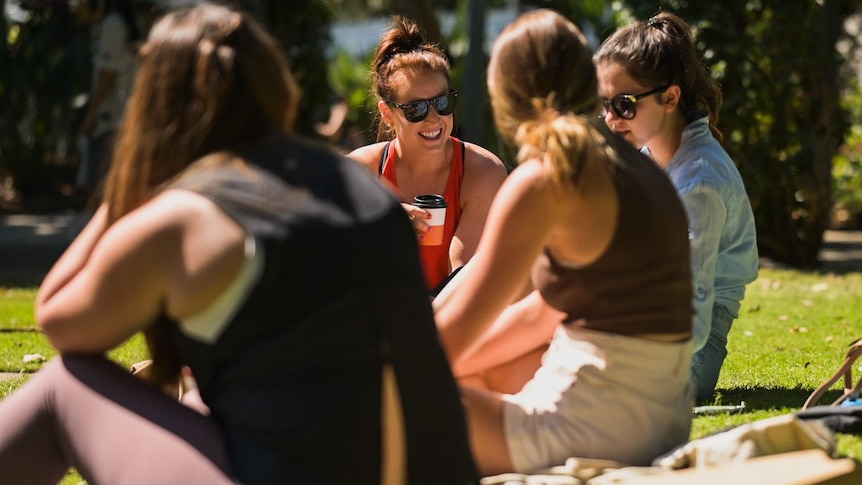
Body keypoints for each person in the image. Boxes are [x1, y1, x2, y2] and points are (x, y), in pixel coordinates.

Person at [0, 4, 478, 484]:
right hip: (413, 469)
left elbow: (59, 318)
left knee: (64, 384)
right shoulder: (353, 183)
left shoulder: (189, 214)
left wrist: (134, 177)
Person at [433, 8, 695, 476]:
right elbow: (539, 315)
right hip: (660, 421)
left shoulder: (549, 178)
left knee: (381, 393)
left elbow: (453, 332)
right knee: (468, 370)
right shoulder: (640, 170)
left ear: (507, 97)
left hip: (594, 429)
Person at [593, 11, 759, 402]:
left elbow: (693, 325)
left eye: (625, 104)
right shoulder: (650, 156)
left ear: (670, 98)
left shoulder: (699, 181)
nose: (611, 119)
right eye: (604, 104)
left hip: (689, 350)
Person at [348, 16, 508, 293]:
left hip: (448, 323)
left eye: (442, 102)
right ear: (388, 114)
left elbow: (462, 281)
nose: (434, 119)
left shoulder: (482, 172)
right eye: (416, 110)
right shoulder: (357, 172)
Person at [76, 0, 141, 202]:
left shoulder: (113, 23)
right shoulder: (129, 21)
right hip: (123, 113)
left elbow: (108, 75)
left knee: (100, 186)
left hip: (109, 117)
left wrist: (90, 115)